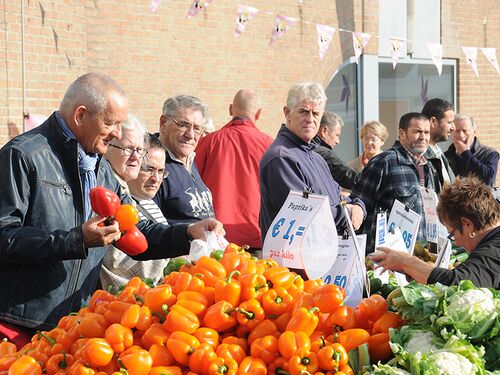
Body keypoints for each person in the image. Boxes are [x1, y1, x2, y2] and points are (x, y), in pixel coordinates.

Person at [0, 73, 222, 342]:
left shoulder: (102, 168)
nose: (117, 133)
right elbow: (4, 235)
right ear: (80, 115)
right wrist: (76, 239)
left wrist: (187, 233)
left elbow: (137, 232)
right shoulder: (23, 156)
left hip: (74, 324)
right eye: (110, 123)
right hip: (17, 324)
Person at [259, 82, 366, 240]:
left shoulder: (316, 157)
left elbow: (337, 196)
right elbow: (306, 211)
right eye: (303, 112)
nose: (310, 119)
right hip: (293, 261)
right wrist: (349, 212)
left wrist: (358, 205)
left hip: (321, 255)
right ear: (287, 113)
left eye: (315, 114)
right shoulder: (281, 158)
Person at [370, 176, 500, 289]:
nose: (457, 243)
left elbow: (457, 283)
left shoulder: (492, 251)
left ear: (467, 224)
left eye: (452, 234)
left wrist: (406, 262)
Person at [195, 89, 273, 249]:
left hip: (216, 234)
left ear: (231, 109)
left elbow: (193, 183)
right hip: (256, 234)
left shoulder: (208, 142)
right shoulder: (269, 145)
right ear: (258, 114)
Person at [351, 112, 436, 254]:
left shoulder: (428, 167)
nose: (423, 137)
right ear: (402, 134)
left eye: (427, 132)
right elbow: (358, 208)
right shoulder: (383, 162)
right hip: (386, 260)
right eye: (417, 132)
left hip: (420, 256)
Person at [100, 121, 169, 291]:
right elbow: (115, 262)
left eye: (139, 151)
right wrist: (173, 257)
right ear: (107, 148)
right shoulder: (104, 193)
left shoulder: (123, 190)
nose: (137, 158)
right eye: (128, 149)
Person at [153, 95, 215, 223]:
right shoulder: (152, 164)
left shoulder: (189, 159)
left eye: (197, 129)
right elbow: (148, 228)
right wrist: (188, 232)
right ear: (163, 123)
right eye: (183, 125)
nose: (190, 135)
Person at [444, 113, 499, 186]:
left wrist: (466, 153)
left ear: (474, 132)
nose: (461, 135)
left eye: (465, 130)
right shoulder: (445, 157)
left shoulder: (490, 153)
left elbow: (488, 179)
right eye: (457, 131)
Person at [313, 111, 360, 190]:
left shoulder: (305, 147)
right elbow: (350, 178)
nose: (338, 141)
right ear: (324, 131)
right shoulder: (323, 153)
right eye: (337, 135)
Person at [421, 98, 456, 193]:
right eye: (449, 122)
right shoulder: (420, 157)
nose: (453, 127)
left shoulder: (438, 152)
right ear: (433, 122)